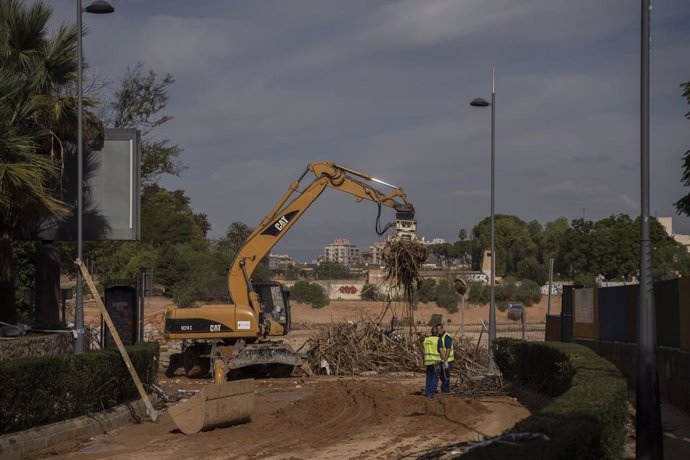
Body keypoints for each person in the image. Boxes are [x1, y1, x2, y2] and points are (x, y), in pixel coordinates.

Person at [423, 325, 441, 398]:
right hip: (436, 362)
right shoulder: (438, 340)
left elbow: (424, 348)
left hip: (428, 362)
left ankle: (427, 392)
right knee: (435, 377)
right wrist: (445, 360)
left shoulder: (426, 340)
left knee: (429, 378)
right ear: (437, 332)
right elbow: (441, 350)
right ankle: (431, 393)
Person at [436, 323, 455, 393]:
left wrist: (445, 361)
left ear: (442, 329)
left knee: (446, 376)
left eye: (439, 329)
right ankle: (444, 389)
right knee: (442, 376)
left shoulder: (446, 337)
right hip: (442, 360)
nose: (438, 331)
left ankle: (446, 390)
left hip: (448, 361)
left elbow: (448, 349)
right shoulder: (439, 337)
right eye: (437, 329)